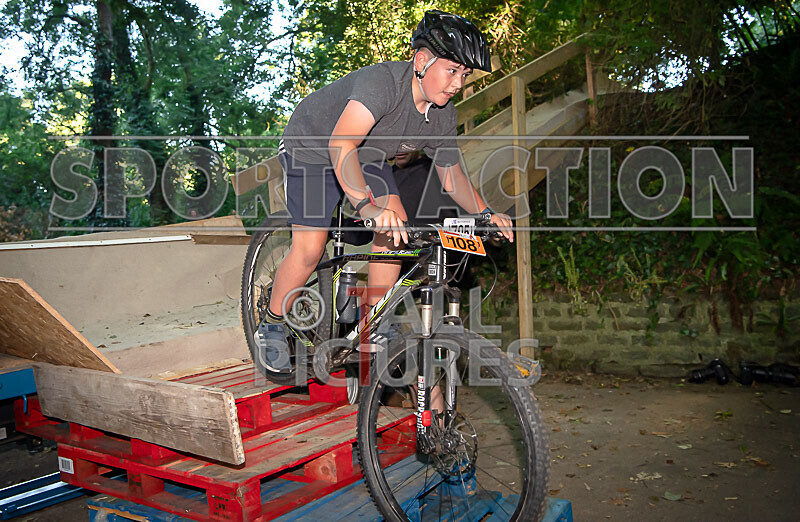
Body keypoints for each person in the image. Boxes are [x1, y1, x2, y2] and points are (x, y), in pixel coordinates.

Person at [260, 10, 514, 373]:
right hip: (312, 149)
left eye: (465, 74)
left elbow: (451, 174)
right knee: (310, 248)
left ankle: (374, 324)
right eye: (452, 71)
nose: (458, 83)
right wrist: (366, 205)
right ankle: (271, 323)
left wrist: (486, 214)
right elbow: (341, 144)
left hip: (367, 154)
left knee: (397, 229)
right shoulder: (383, 84)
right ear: (422, 61)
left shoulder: (442, 114)